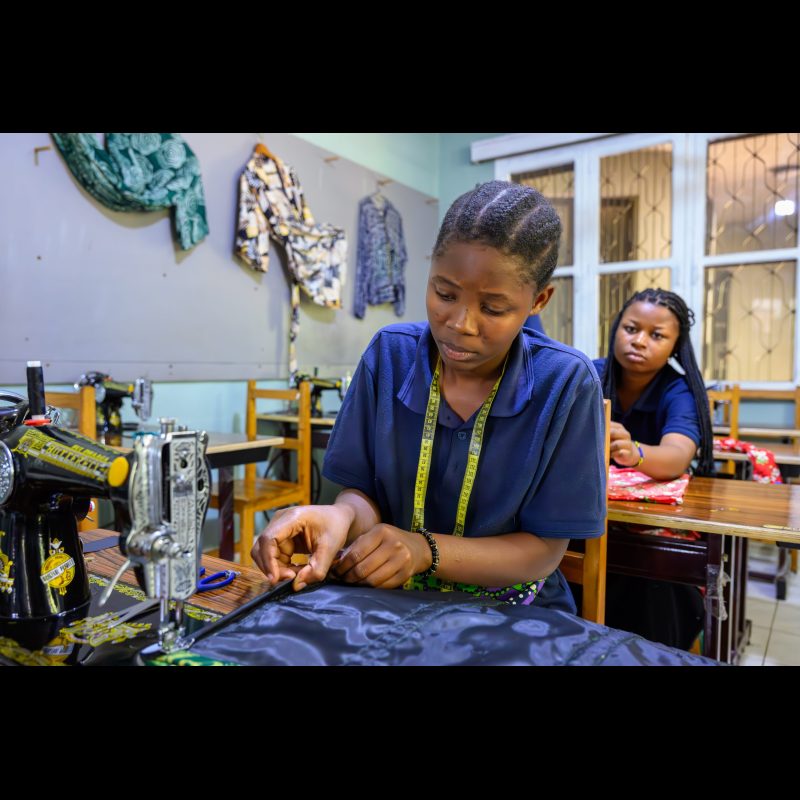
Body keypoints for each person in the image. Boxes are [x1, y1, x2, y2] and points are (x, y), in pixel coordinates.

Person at [252, 180, 606, 613]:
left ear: (539, 300)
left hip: (513, 612)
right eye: (444, 293)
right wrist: (339, 517)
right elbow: (362, 494)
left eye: (493, 308)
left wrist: (424, 551)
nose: (460, 323)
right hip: (390, 600)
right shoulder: (389, 355)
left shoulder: (567, 382)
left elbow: (544, 551)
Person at [593, 287, 714, 648]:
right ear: (616, 328)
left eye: (656, 335)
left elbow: (677, 455)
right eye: (631, 328)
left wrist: (635, 453)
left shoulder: (679, 391)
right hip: (593, 518)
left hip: (652, 527)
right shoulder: (589, 374)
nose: (640, 341)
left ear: (675, 346)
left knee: (654, 584)